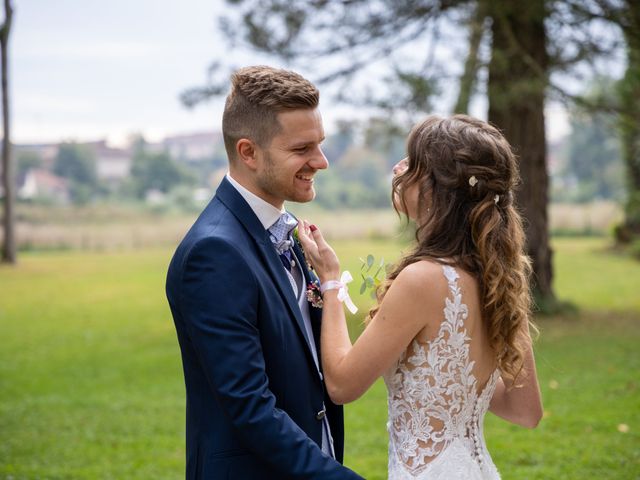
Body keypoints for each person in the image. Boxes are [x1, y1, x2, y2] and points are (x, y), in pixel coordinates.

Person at [298, 114, 543, 479]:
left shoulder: (421, 280)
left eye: (412, 162)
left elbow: (342, 384)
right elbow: (526, 410)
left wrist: (331, 284)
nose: (399, 169)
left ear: (436, 187)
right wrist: (453, 381)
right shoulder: (497, 278)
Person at [166, 65, 362, 479]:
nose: (321, 162)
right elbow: (250, 406)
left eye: (320, 144)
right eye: (302, 148)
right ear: (248, 152)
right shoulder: (215, 252)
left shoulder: (288, 233)